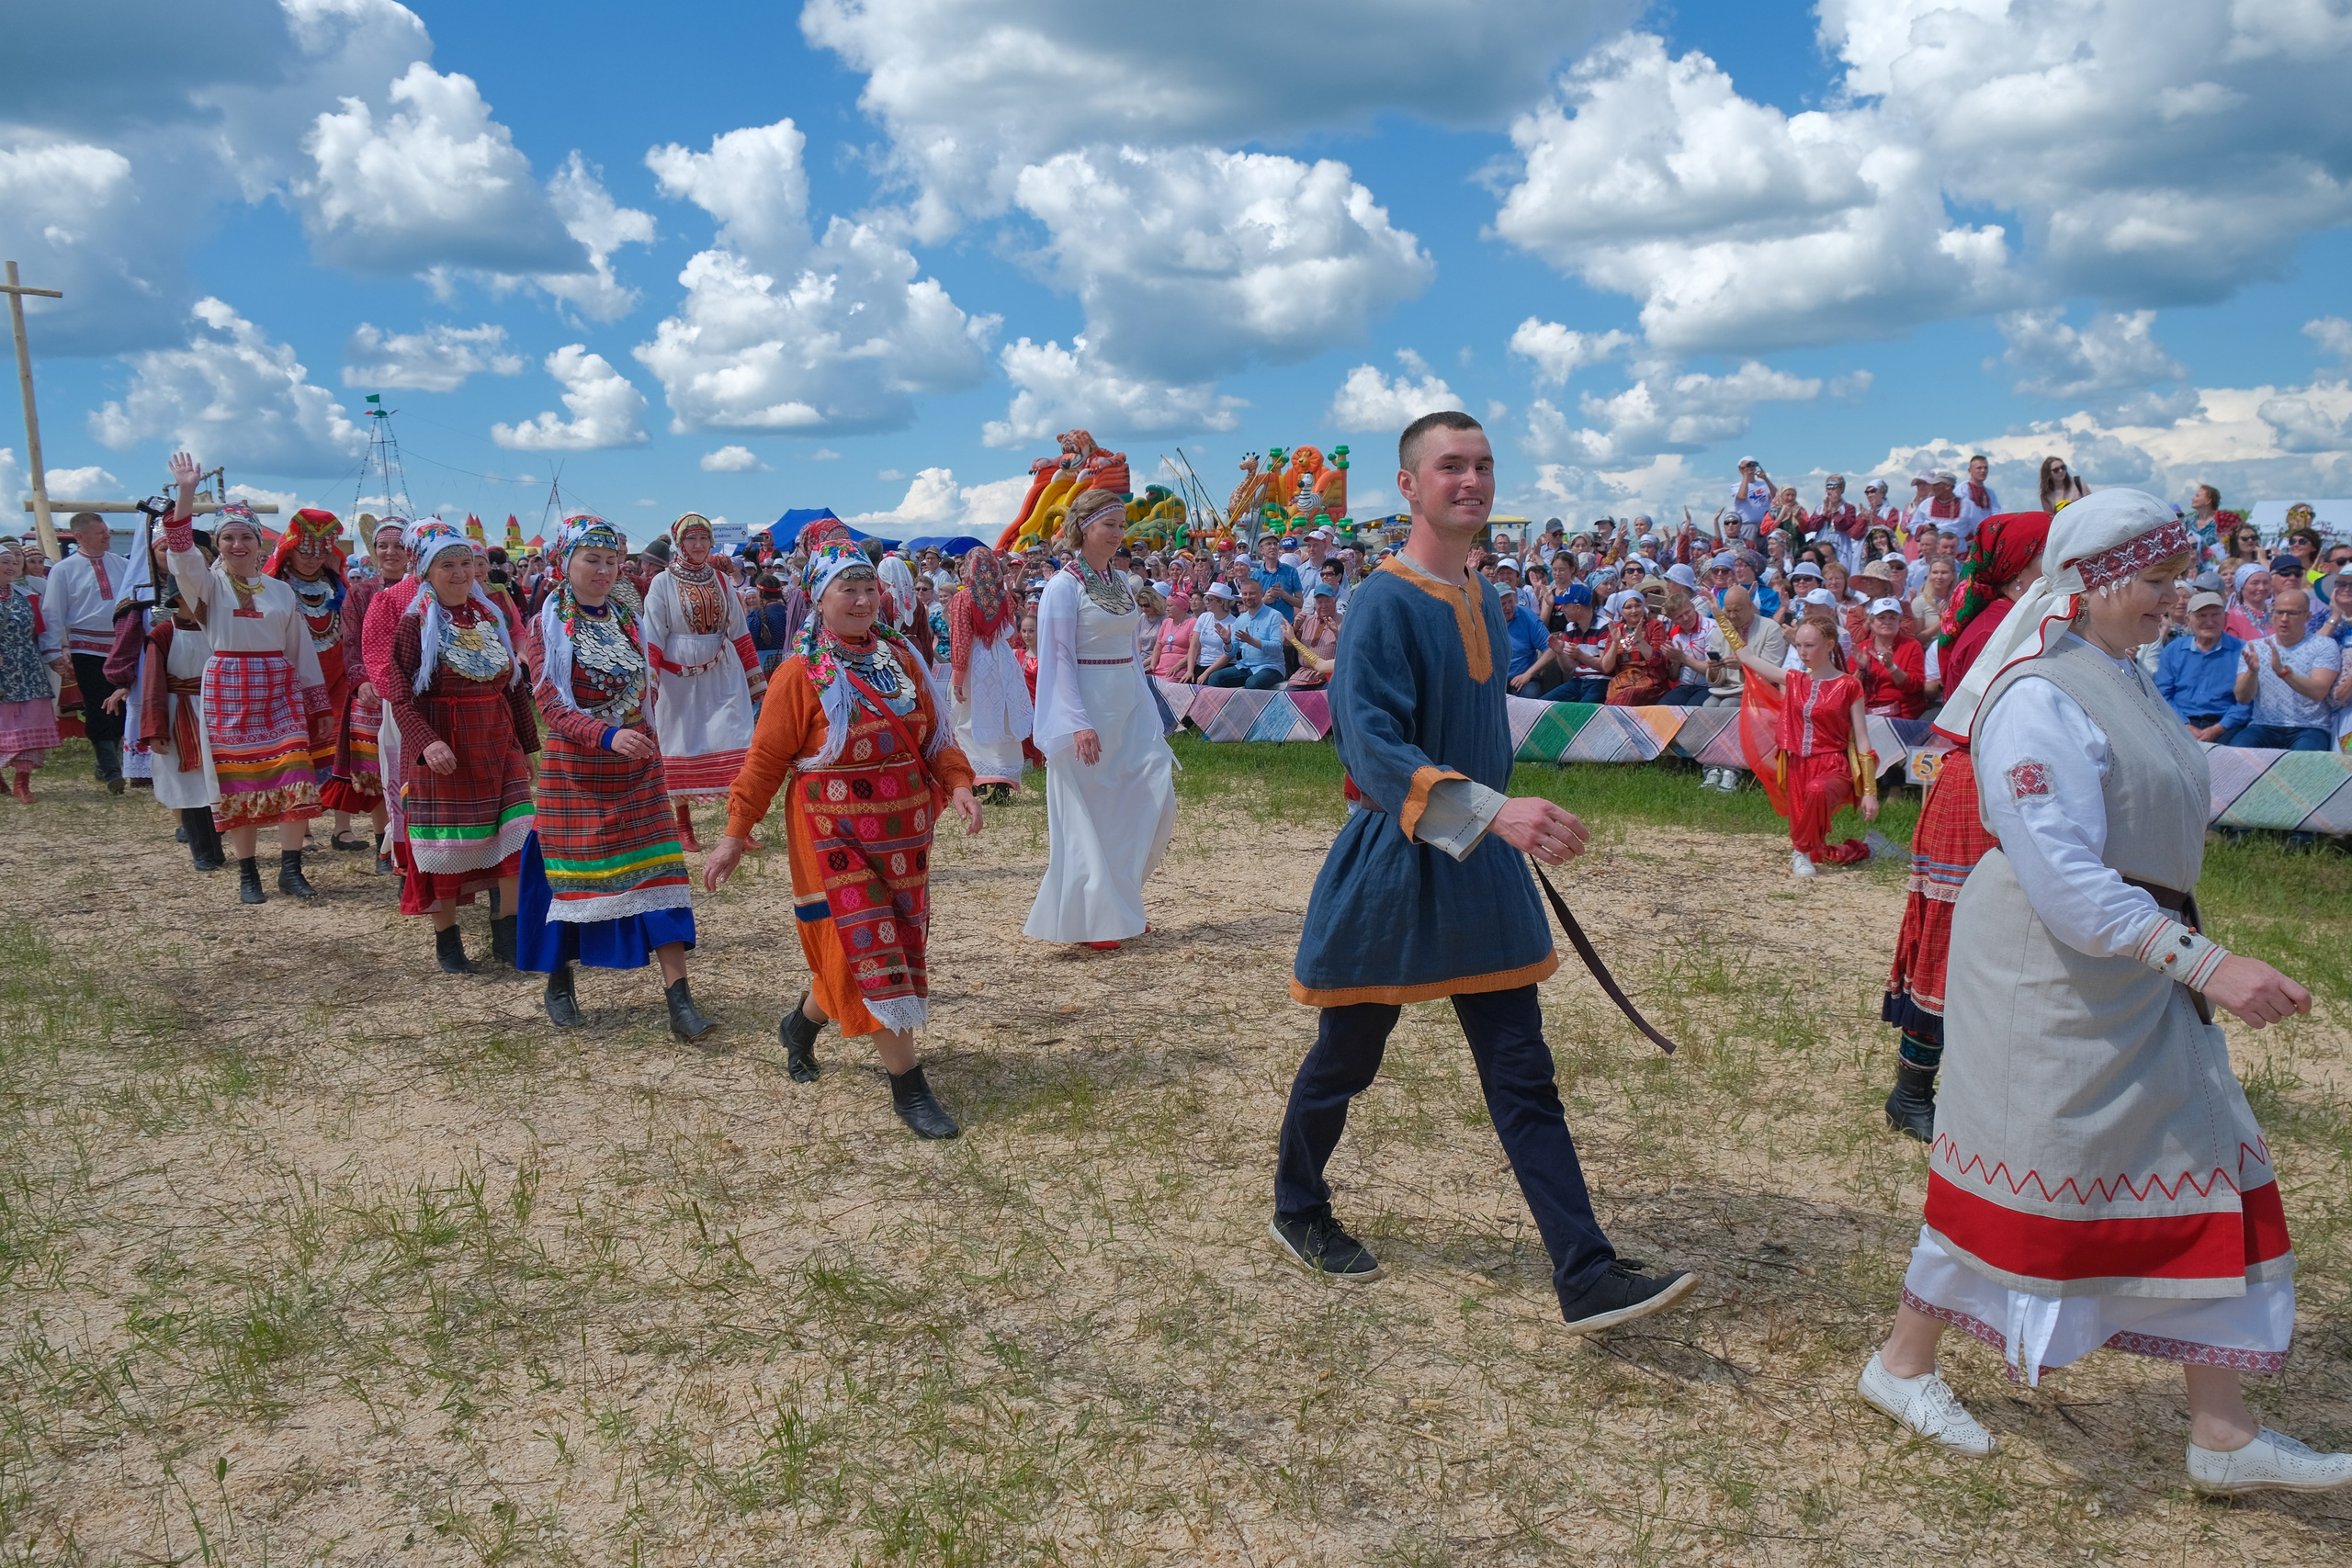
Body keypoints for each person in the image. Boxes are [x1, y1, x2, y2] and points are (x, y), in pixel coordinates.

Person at [1853, 489, 2347, 1495]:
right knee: (2017, 1178)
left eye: (2174, 578)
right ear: (2091, 582)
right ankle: (1900, 1365)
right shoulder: (2038, 696)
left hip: (2133, 962)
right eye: (2158, 581)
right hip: (2055, 974)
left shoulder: (2121, 675)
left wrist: (2180, 953)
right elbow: (2066, 878)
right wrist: (2211, 965)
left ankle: (2221, 1431)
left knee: (2211, 1164)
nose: (2175, 600)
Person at [1274, 410, 1701, 1332]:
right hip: (1395, 863)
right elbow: (1374, 746)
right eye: (1449, 467)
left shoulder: (1486, 596)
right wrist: (1493, 809)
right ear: (1409, 486)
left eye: (1482, 465)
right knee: (1348, 1057)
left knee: (1521, 1070)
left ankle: (1583, 1272)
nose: (1470, 481)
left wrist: (1502, 816)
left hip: (1478, 866)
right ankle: (1297, 1205)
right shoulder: (1383, 601)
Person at [706, 519, 978, 1134]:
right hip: (833, 838)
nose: (860, 600)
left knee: (877, 951)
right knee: (872, 949)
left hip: (904, 837)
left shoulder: (902, 656)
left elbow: (935, 734)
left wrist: (959, 784)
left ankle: (800, 1024)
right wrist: (732, 833)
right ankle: (909, 1087)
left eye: (868, 588)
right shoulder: (800, 673)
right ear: (819, 598)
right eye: (846, 590)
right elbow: (767, 759)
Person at [515, 516, 718, 1044]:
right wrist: (604, 736)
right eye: (592, 560)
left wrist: (642, 739)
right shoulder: (547, 624)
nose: (604, 571)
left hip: (635, 767)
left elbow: (646, 688)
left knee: (662, 875)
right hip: (577, 771)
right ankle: (558, 984)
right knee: (564, 877)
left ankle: (681, 1002)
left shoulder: (628, 618)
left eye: (611, 562)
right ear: (565, 562)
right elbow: (549, 702)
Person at [159, 459, 328, 904]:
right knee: (239, 781)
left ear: (259, 543)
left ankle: (291, 869)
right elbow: (180, 553)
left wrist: (317, 704)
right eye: (228, 536)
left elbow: (300, 649)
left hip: (277, 687)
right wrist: (186, 493)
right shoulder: (207, 586)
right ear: (217, 544)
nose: (237, 543)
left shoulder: (280, 590)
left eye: (246, 536)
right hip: (229, 686)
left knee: (295, 773)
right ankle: (249, 873)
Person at [1023, 488, 1180, 952]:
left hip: (1127, 701)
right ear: (1084, 526)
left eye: (1121, 525)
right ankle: (1098, 916)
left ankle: (1121, 900)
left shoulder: (1119, 580)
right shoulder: (1063, 586)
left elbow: (1131, 649)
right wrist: (1076, 722)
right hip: (1086, 706)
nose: (1118, 533)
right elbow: (1058, 658)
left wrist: (1146, 704)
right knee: (1091, 813)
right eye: (1109, 524)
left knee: (1151, 797)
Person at [387, 529, 539, 974]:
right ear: (427, 572)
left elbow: (512, 687)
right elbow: (401, 694)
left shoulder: (489, 616)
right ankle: (448, 942)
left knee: (517, 835)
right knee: (447, 851)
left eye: (465, 564)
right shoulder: (415, 623)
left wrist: (527, 745)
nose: (459, 573)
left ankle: (506, 934)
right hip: (447, 747)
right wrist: (426, 742)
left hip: (497, 741)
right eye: (446, 565)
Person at [640, 513, 765, 854]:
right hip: (677, 674)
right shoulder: (662, 583)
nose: (698, 546)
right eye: (691, 540)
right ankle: (683, 825)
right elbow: (652, 635)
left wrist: (757, 684)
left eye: (704, 539)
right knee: (680, 742)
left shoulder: (724, 583)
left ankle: (739, 825)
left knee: (736, 738)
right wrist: (650, 686)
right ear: (680, 544)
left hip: (723, 671)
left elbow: (740, 633)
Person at [1739, 619, 1881, 877]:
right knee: (1820, 851)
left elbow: (1862, 738)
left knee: (1818, 790)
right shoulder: (1794, 679)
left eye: (1809, 645)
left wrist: (1870, 791)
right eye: (1799, 645)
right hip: (1798, 765)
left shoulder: (1849, 685)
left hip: (1833, 765)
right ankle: (1854, 849)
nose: (1802, 652)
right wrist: (1718, 613)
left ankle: (1799, 851)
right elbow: (1747, 657)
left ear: (1829, 645)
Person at [264, 507, 365, 851]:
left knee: (339, 749)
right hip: (293, 681)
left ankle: (342, 827)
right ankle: (302, 829)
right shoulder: (275, 588)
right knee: (299, 754)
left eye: (320, 551)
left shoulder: (336, 586)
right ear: (289, 548)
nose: (311, 559)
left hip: (337, 678)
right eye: (305, 550)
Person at [324, 520, 408, 866]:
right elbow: (351, 641)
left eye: (398, 546)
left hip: (414, 690)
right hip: (373, 692)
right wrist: (361, 681)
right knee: (378, 771)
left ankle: (411, 843)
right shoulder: (362, 591)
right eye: (383, 546)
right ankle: (382, 844)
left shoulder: (425, 589)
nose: (390, 553)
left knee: (410, 768)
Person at [45, 512, 136, 792]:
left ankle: (107, 763)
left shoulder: (122, 564)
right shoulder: (64, 569)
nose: (108, 535)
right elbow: (52, 611)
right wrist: (53, 651)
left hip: (120, 645)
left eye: (107, 530)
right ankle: (111, 770)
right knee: (98, 705)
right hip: (86, 647)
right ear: (80, 536)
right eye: (100, 532)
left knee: (121, 705)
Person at [946, 546, 1033, 803]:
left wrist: (958, 679)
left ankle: (977, 778)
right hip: (1003, 660)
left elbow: (961, 640)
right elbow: (1013, 635)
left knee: (968, 719)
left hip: (976, 662)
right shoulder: (1005, 598)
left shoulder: (963, 599)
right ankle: (1001, 784)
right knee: (1002, 719)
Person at [2230, 585, 2339, 750]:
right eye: (2279, 612)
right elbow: (2242, 698)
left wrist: (2284, 672)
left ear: (2307, 616)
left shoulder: (2323, 645)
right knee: (2235, 754)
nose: (2284, 618)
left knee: (2303, 765)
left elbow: (2318, 692)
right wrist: (2252, 673)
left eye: (2292, 613)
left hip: (2310, 727)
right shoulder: (2255, 648)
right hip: (2263, 725)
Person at [0, 541, 63, 801]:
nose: (11, 567)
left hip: (27, 669)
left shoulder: (27, 596)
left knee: (30, 723)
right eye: (5, 562)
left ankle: (21, 783)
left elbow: (42, 630)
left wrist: (55, 656)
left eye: (15, 563)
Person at [2155, 590, 2249, 742]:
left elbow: (2246, 701)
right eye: (2202, 616)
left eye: (2215, 614)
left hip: (2226, 725)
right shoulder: (2173, 650)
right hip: (2180, 722)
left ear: (2225, 618)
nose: (2210, 621)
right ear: (2188, 620)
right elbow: (2162, 694)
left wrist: (2220, 728)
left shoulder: (2242, 650)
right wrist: (2184, 725)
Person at [1856, 598, 1930, 719]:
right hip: (1865, 715)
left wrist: (1891, 667)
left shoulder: (1912, 645)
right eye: (1881, 617)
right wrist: (1861, 669)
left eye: (1893, 618)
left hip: (1903, 715)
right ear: (1872, 622)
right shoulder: (1861, 648)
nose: (1887, 622)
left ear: (1900, 621)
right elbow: (1850, 689)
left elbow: (1915, 686)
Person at [1209, 577, 1288, 690]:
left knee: (1252, 683)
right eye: (1244, 594)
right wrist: (1227, 641)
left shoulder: (1274, 616)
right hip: (1246, 666)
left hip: (1271, 667)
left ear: (1261, 593)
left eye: (1252, 594)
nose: (1247, 597)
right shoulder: (1241, 619)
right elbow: (1231, 652)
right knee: (1215, 678)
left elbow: (1277, 647)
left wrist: (1251, 641)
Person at [1598, 592, 1672, 705]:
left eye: (1638, 605)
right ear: (1621, 612)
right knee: (1612, 701)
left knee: (1627, 698)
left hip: (1652, 684)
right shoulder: (1616, 630)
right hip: (1622, 684)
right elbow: (1606, 667)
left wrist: (1640, 641)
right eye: (1628, 607)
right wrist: (1615, 642)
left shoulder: (1655, 626)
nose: (1634, 610)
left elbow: (1658, 661)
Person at [1285, 582, 1341, 689]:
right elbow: (1287, 644)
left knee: (1328, 694)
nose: (1323, 606)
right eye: (1320, 602)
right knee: (1287, 698)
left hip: (1329, 676)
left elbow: (1346, 652)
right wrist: (1296, 627)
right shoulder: (1307, 620)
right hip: (1303, 675)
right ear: (1315, 604)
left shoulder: (1344, 621)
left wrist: (1336, 633)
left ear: (1335, 601)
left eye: (1328, 601)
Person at [1148, 587, 1197, 683]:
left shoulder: (1192, 623)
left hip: (1179, 667)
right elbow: (1158, 646)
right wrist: (1153, 665)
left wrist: (1177, 666)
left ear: (1181, 607)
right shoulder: (1166, 622)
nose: (1167, 609)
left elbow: (1195, 650)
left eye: (1170, 606)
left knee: (1166, 684)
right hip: (1160, 667)